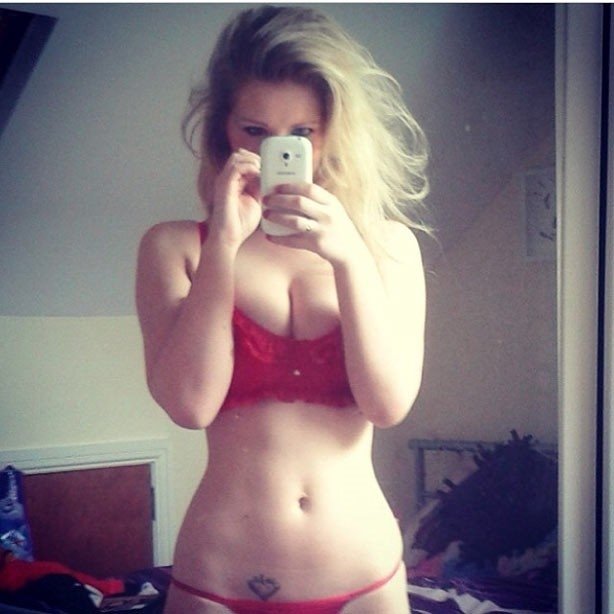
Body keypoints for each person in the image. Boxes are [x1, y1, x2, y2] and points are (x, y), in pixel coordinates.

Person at [136, 5, 429, 613]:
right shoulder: (174, 247)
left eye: (302, 133)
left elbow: (387, 404)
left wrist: (348, 256)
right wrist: (223, 245)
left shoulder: (388, 247)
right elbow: (190, 406)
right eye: (255, 130)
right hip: (216, 582)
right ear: (223, 128)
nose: (277, 151)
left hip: (365, 583)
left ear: (334, 131)